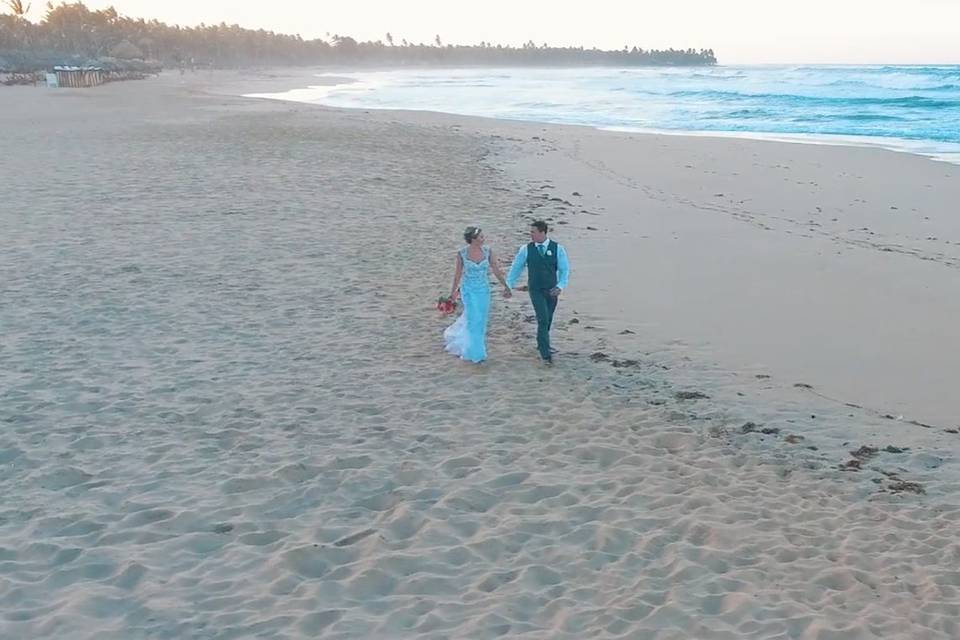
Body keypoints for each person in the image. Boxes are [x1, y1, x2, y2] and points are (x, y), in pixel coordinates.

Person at [506, 220, 571, 364]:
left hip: (552, 290)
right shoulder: (526, 249)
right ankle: (545, 353)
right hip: (535, 290)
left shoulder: (558, 249)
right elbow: (517, 267)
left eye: (533, 232)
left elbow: (564, 269)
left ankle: (543, 342)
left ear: (542, 232)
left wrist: (560, 286)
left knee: (548, 318)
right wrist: (508, 284)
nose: (531, 235)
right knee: (542, 318)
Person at [444, 226, 511, 363]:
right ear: (473, 240)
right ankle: (474, 353)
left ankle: (474, 347)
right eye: (480, 237)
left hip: (483, 291)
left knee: (481, 320)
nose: (483, 239)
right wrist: (452, 293)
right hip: (468, 291)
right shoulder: (462, 253)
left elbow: (496, 270)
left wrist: (505, 285)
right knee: (473, 319)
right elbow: (457, 275)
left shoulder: (488, 252)